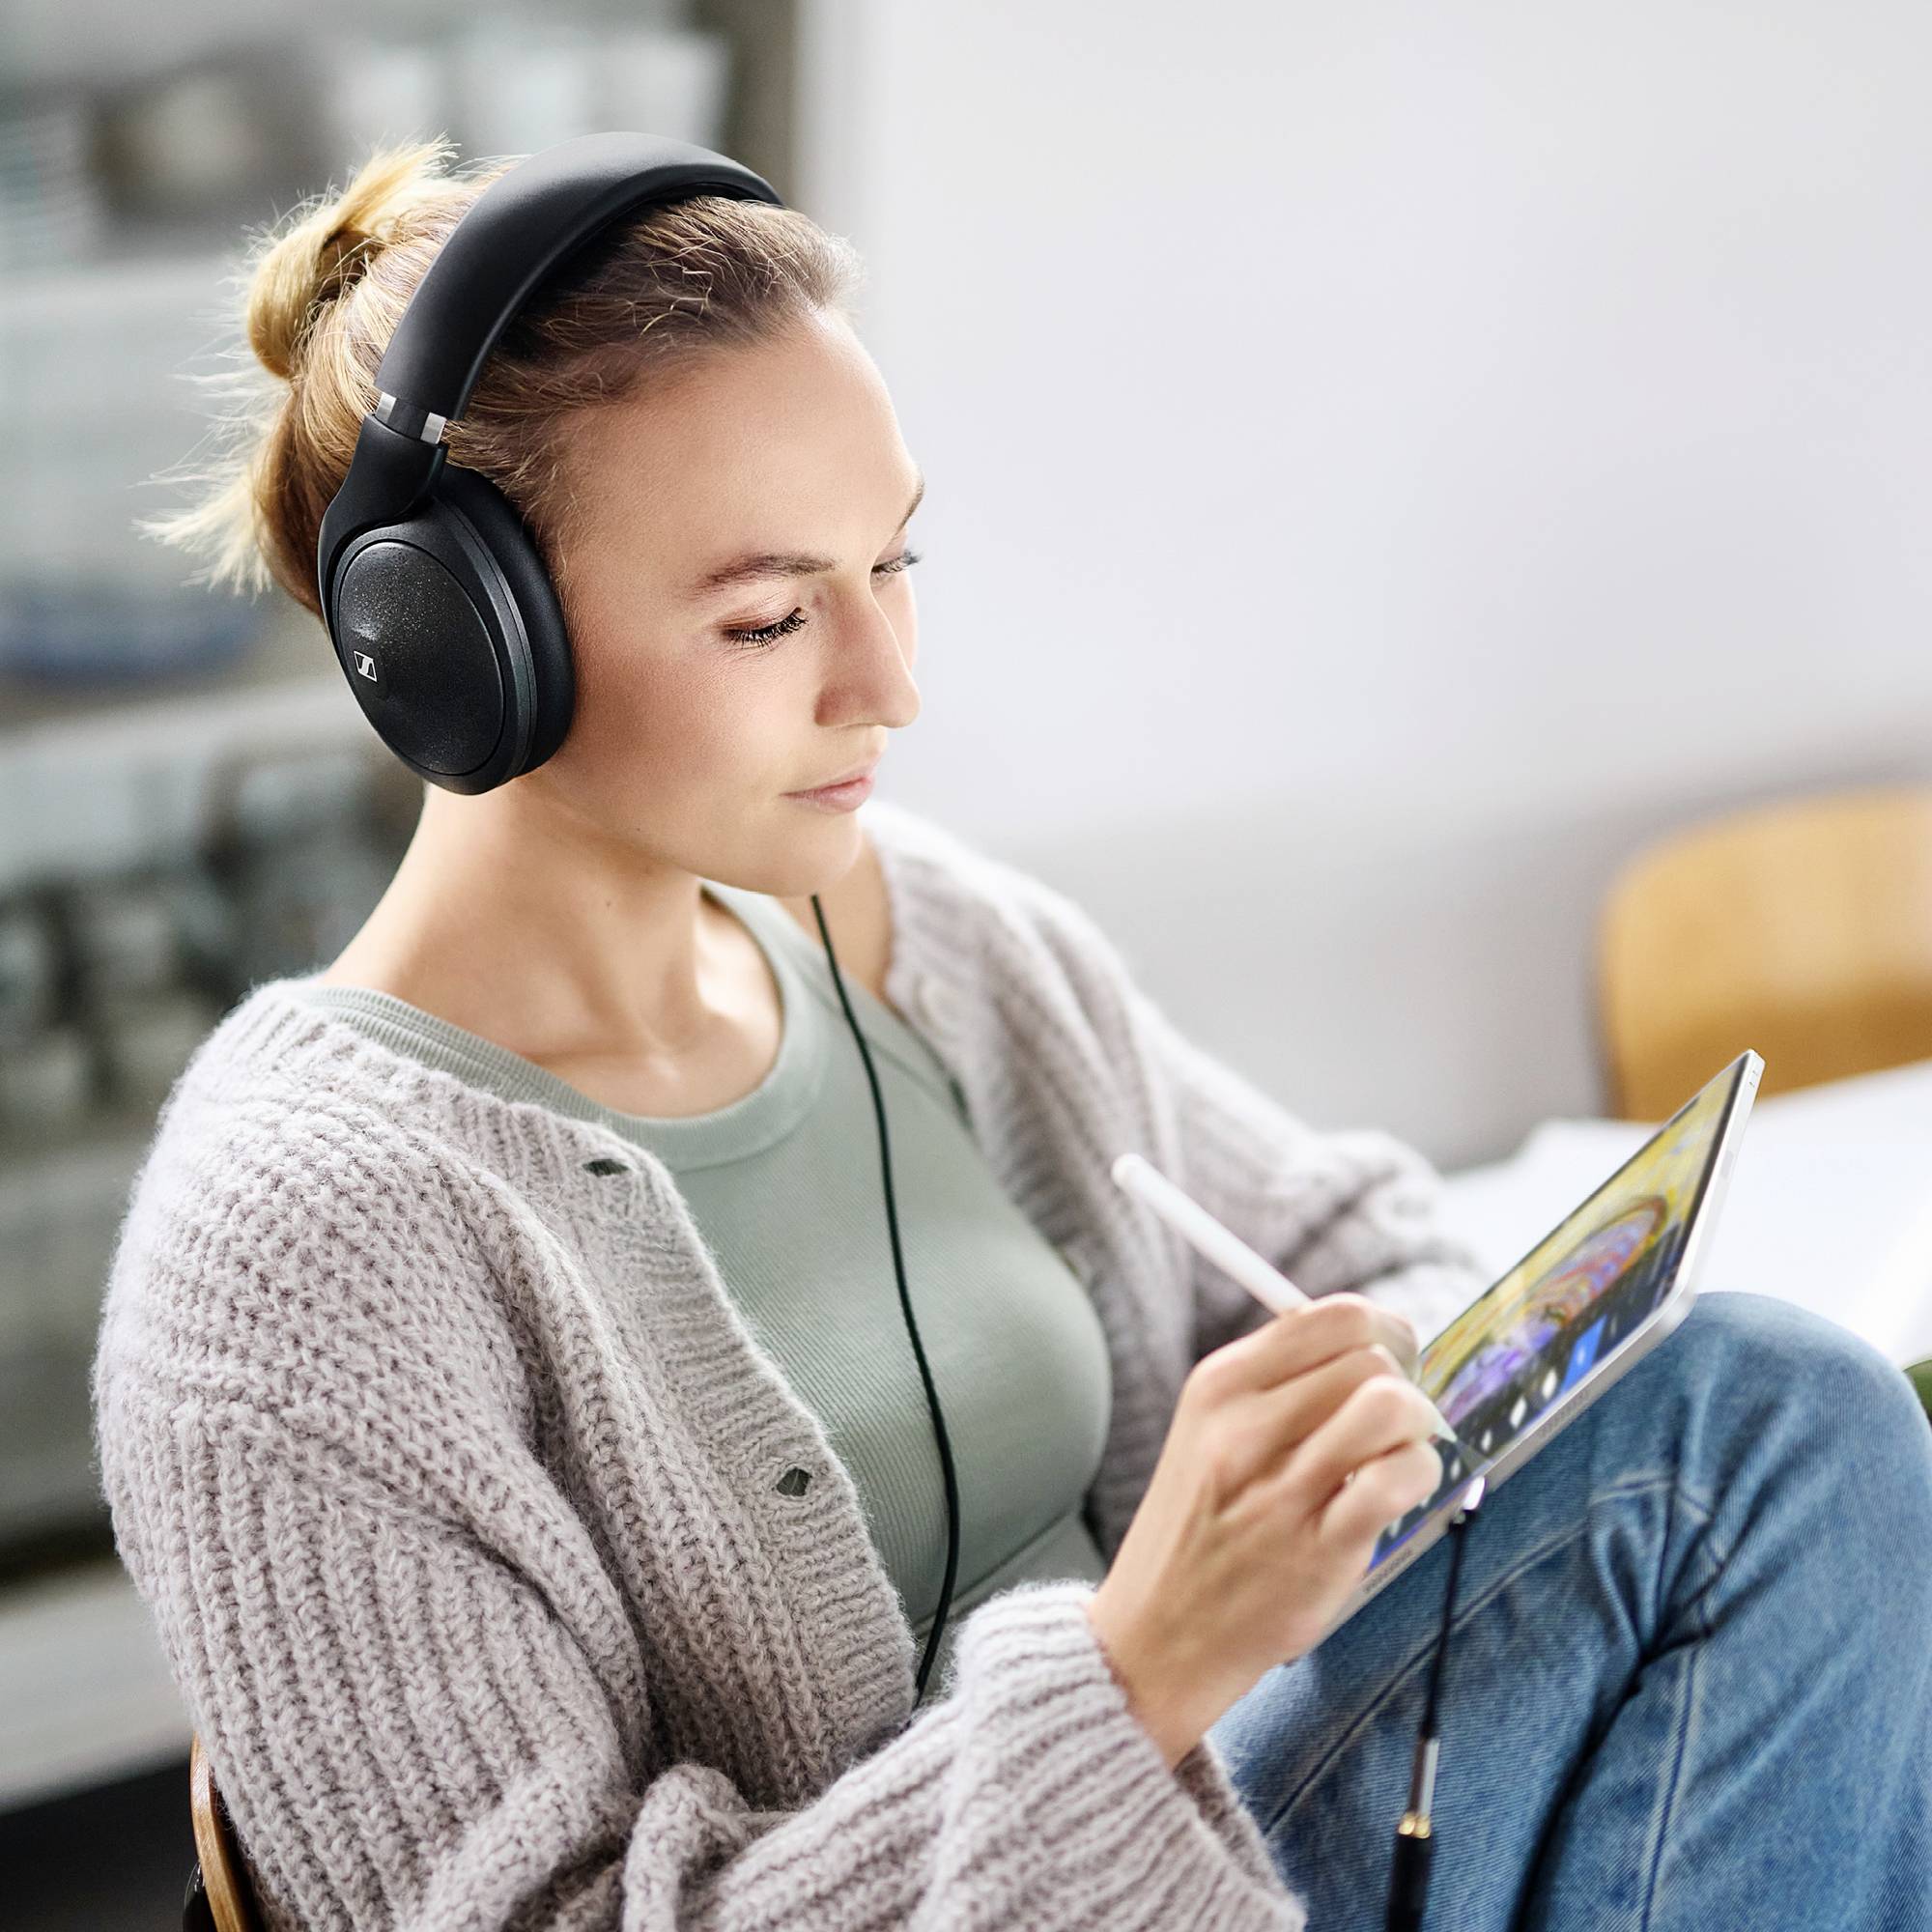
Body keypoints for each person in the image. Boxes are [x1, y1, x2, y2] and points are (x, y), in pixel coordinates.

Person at [93, 137, 1932, 1932]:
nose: (890, 685)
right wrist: (1148, 1662)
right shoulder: (295, 1253)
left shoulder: (916, 935)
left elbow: (1342, 1244)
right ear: (460, 650)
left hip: (1233, 1841)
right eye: (764, 617)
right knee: (1753, 1441)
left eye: (894, 565)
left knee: (1770, 1428)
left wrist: (1391, 1400)